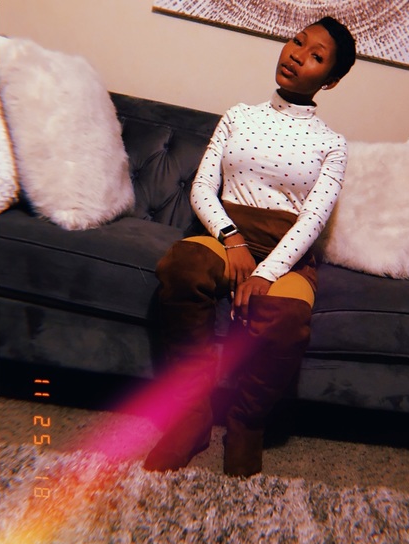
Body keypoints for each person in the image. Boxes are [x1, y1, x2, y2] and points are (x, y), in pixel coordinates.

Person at [143, 16, 356, 477]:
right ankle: (193, 415)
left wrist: (265, 272)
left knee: (287, 319)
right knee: (182, 267)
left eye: (316, 56)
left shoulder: (332, 144)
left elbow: (313, 219)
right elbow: (203, 187)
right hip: (227, 233)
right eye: (298, 41)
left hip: (286, 250)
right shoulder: (238, 115)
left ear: (331, 80)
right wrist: (232, 238)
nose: (297, 55)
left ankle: (246, 423)